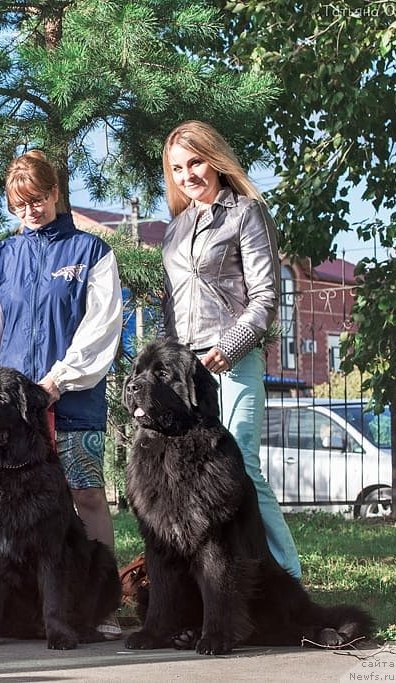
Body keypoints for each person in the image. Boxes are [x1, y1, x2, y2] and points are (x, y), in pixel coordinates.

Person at [0, 150, 124, 638]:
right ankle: (18, 609)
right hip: (12, 413)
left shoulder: (92, 253)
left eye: (38, 199)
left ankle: (103, 607)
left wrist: (58, 381)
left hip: (71, 398)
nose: (30, 211)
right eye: (20, 204)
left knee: (87, 495)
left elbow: (102, 328)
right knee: (7, 505)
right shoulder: (1, 258)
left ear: (56, 192)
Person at [160, 120, 301, 579]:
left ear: (215, 159)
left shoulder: (246, 213)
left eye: (195, 162)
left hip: (232, 364)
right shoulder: (175, 229)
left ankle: (287, 576)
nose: (187, 175)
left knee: (242, 466)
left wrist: (229, 346)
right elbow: (170, 309)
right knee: (193, 474)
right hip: (187, 372)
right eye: (177, 168)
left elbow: (264, 299)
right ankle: (217, 577)